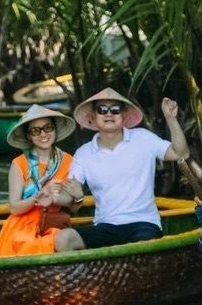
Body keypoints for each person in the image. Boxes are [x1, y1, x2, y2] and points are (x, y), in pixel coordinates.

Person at [55, 87, 189, 249]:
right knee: (64, 238)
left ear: (124, 116)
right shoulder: (83, 153)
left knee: (142, 248)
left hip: (143, 223)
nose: (109, 114)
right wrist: (67, 196)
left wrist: (171, 119)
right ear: (93, 117)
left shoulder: (143, 138)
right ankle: (84, 275)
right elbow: (70, 193)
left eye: (115, 110)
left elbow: (180, 153)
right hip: (105, 227)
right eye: (102, 110)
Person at [0, 104, 84, 256]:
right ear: (29, 136)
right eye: (36, 130)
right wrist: (39, 195)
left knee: (62, 239)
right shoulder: (19, 163)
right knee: (26, 243)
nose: (43, 134)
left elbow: (70, 201)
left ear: (54, 129)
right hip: (22, 226)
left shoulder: (68, 160)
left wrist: (53, 197)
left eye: (48, 128)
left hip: (54, 223)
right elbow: (15, 208)